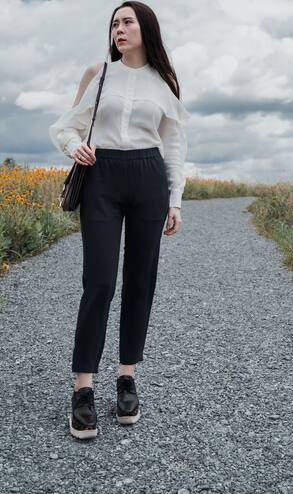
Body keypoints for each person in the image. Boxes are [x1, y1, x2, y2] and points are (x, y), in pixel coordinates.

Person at [47, 1, 190, 440]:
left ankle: (126, 377)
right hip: (102, 179)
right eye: (114, 23)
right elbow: (64, 127)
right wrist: (75, 148)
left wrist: (175, 199)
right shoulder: (99, 74)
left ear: (146, 28)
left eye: (127, 21)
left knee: (141, 280)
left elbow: (175, 143)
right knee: (100, 281)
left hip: (148, 177)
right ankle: (83, 387)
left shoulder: (164, 82)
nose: (119, 29)